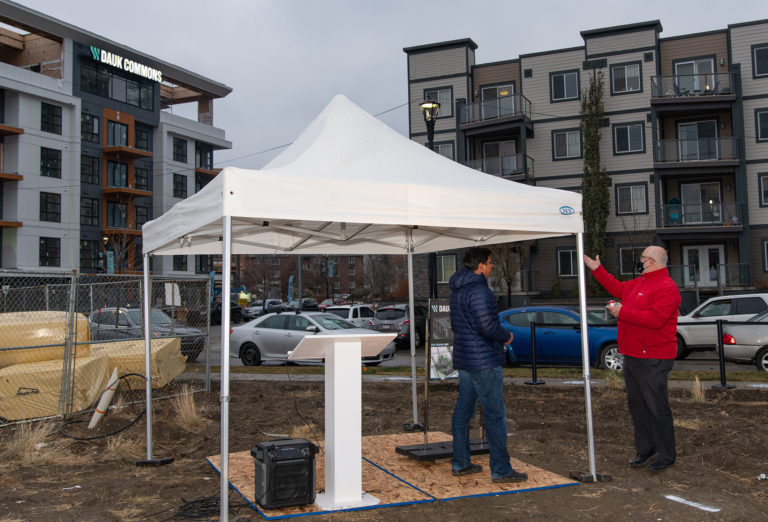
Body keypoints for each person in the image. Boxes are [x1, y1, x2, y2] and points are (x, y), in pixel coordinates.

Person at [583, 246, 681, 472]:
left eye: (643, 258)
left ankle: (666, 455)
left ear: (653, 261)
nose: (640, 261)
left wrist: (622, 312)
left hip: (654, 357)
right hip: (634, 355)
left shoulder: (667, 288)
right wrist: (598, 270)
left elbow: (655, 319)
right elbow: (617, 287)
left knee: (656, 408)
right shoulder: (639, 284)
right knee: (638, 407)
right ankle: (645, 449)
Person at [448, 247, 527, 483]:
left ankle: (461, 463)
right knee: (495, 415)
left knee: (463, 411)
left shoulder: (457, 290)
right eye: (491, 263)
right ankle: (501, 469)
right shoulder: (480, 291)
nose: (493, 267)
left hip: (466, 359)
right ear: (481, 266)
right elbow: (486, 325)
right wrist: (506, 336)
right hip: (483, 360)